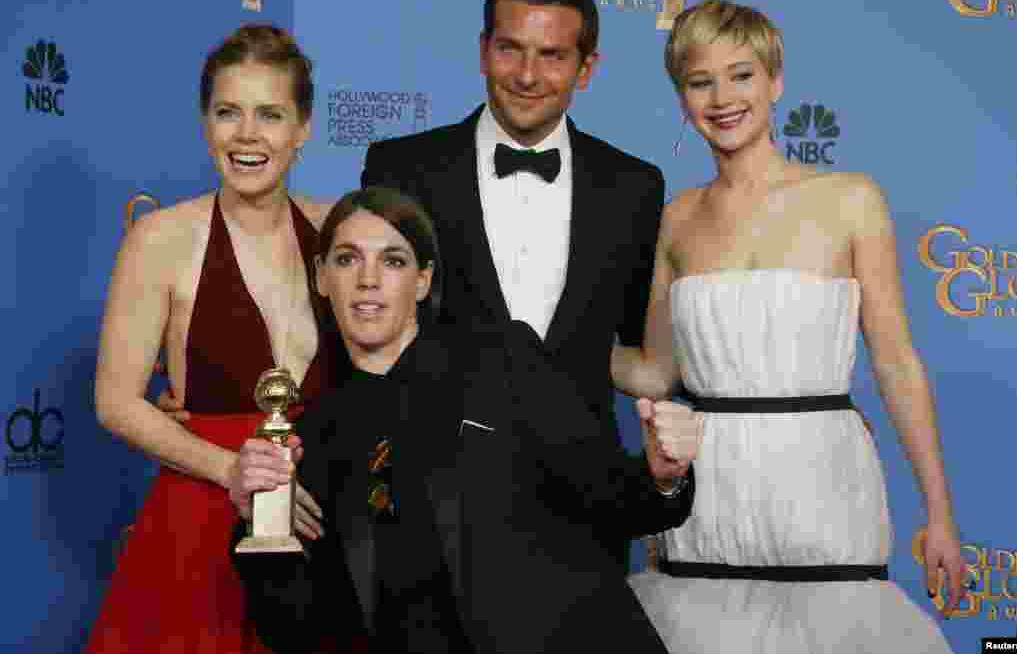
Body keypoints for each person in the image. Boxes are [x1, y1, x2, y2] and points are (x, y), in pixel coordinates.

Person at [611, 0, 961, 653]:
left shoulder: (851, 199)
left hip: (824, 489)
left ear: (775, 82)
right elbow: (658, 370)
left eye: (741, 74)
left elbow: (896, 363)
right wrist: (559, 337)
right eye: (700, 80)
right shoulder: (677, 217)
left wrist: (939, 514)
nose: (722, 97)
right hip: (709, 495)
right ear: (682, 99)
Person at [230, 187, 699, 654]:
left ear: (422, 280)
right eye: (347, 259)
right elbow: (297, 630)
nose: (368, 280)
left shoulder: (501, 361)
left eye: (393, 261)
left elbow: (615, 497)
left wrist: (662, 477)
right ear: (321, 277)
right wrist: (260, 524)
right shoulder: (313, 439)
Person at [360, 0, 666, 547]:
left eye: (552, 55)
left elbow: (638, 348)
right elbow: (361, 319)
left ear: (587, 67)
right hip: (432, 507)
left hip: (585, 511)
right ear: (483, 51)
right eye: (510, 50)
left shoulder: (635, 187)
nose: (528, 76)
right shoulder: (402, 169)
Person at [87, 25, 365, 653]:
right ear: (205, 123)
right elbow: (115, 400)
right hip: (201, 519)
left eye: (270, 114)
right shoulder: (158, 238)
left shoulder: (340, 230)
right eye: (227, 112)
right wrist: (230, 469)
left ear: (303, 128)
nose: (247, 135)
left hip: (320, 521)